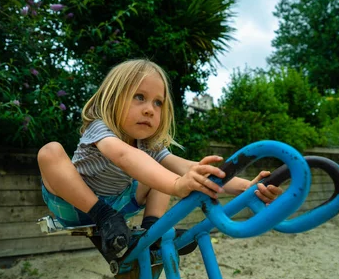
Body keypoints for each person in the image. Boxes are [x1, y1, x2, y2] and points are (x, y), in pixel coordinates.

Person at [37, 59, 283, 258]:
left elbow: (189, 169)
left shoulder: (148, 146)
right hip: (73, 204)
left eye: (158, 103)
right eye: (139, 97)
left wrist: (247, 188)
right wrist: (177, 185)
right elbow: (124, 155)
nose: (149, 109)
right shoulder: (100, 128)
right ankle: (104, 216)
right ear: (112, 99)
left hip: (117, 207)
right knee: (50, 151)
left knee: (163, 168)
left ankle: (152, 231)